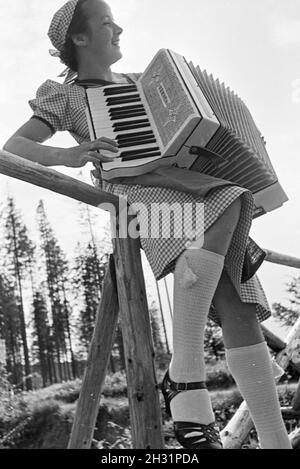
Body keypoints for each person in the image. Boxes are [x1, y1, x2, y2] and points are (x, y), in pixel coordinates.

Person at [3, 0, 292, 450]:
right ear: (79, 39)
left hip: (194, 190)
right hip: (144, 197)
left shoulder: (152, 84)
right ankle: (186, 377)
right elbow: (16, 146)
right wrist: (70, 155)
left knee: (240, 306)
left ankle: (266, 437)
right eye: (104, 23)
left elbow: (197, 139)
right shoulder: (67, 95)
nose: (118, 28)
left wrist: (240, 144)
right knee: (230, 200)